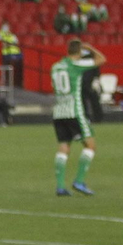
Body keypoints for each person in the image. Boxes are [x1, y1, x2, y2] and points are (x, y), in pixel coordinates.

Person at [50, 39, 105, 196]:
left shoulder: (55, 67)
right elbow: (101, 59)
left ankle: (60, 186)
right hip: (74, 111)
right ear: (80, 52)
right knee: (90, 145)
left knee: (64, 146)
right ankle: (79, 181)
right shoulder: (75, 65)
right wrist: (91, 48)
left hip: (58, 111)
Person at [0, 22, 23, 88]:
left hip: (16, 53)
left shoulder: (12, 35)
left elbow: (16, 43)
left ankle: (19, 82)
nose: (6, 28)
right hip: (7, 54)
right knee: (11, 63)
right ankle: (10, 82)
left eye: (7, 27)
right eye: (5, 26)